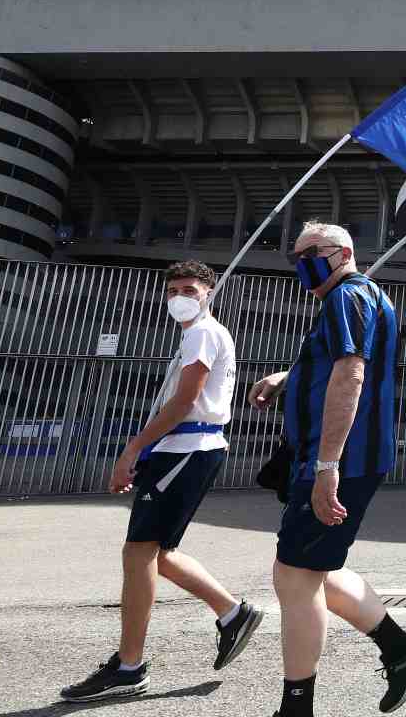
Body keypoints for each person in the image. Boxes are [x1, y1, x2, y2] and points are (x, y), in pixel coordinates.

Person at [247, 221, 406, 717]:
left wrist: (327, 464)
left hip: (337, 460)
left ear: (343, 252)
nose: (301, 263)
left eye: (311, 253)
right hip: (345, 457)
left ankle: (297, 705)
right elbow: (342, 364)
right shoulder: (361, 297)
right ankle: (401, 649)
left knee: (294, 575)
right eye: (295, 257)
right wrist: (287, 377)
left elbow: (351, 372)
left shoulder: (346, 297)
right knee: (313, 569)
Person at [61, 261, 263, 703]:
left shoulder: (204, 333)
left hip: (189, 450)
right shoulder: (195, 335)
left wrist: (132, 449)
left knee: (139, 554)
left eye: (189, 288)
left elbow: (186, 399)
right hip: (180, 451)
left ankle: (129, 666)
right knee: (158, 554)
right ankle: (233, 614)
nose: (179, 296)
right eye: (172, 289)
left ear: (208, 292)